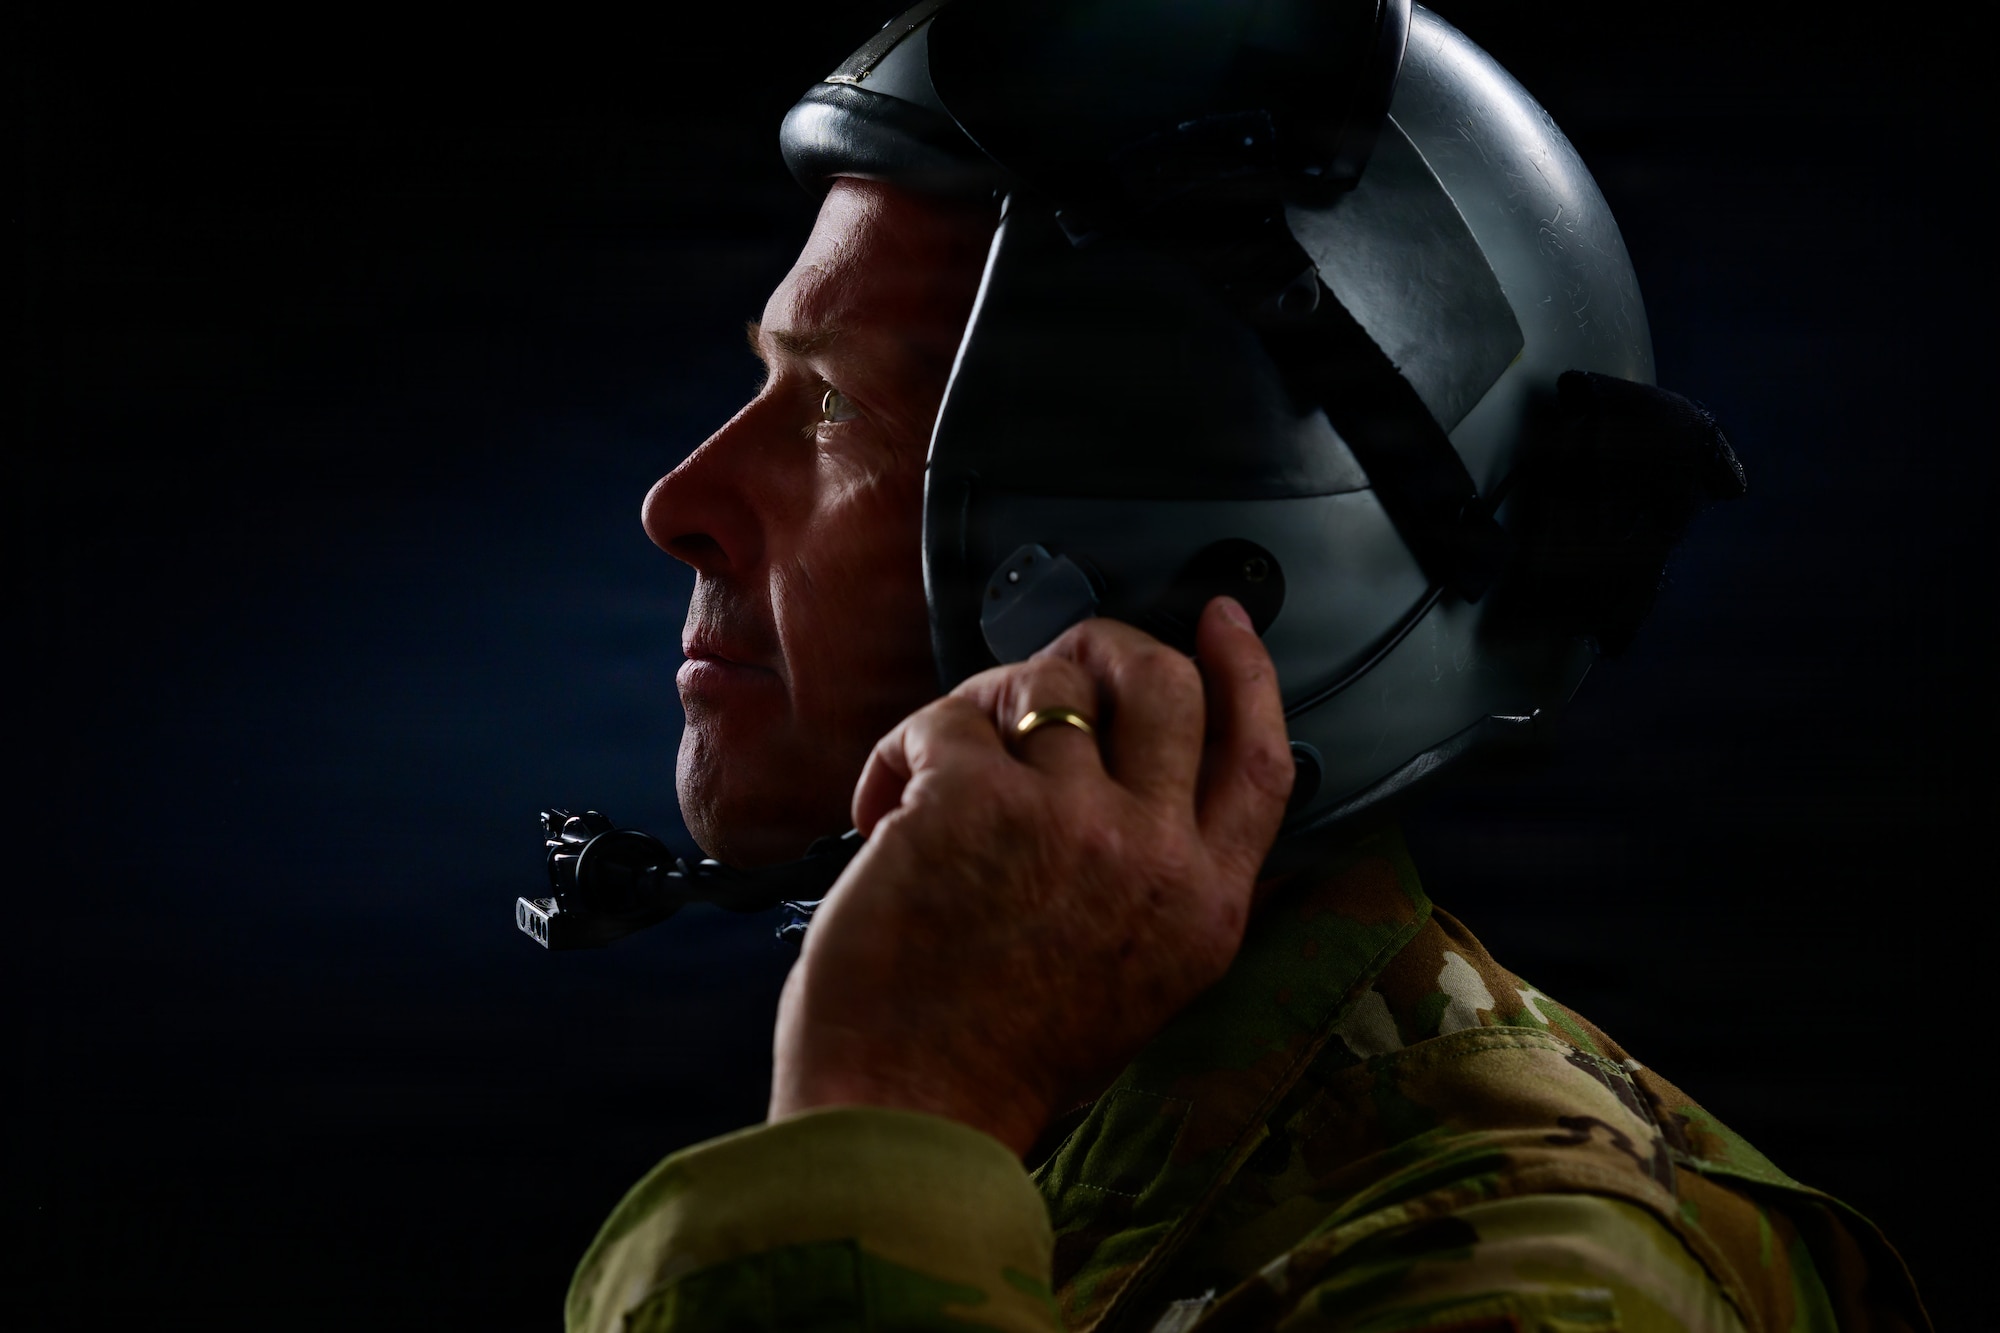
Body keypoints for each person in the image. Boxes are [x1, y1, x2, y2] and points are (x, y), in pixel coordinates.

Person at [563, 4, 1928, 1330]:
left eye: (835, 407)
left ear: (1194, 559)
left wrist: (883, 1123)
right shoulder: (1068, 1133)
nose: (677, 503)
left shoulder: (1521, 1272)